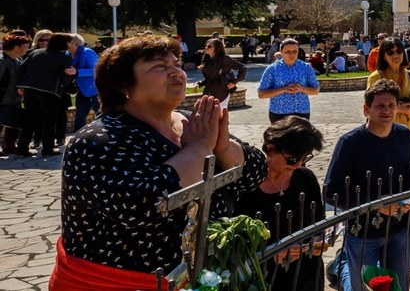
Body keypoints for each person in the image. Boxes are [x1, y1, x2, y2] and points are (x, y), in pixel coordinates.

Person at [50, 35, 266, 290]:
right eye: (160, 67)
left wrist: (223, 147)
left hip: (203, 276)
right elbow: (142, 206)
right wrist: (198, 149)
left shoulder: (192, 122)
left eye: (176, 64)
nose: (176, 72)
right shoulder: (97, 140)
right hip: (119, 282)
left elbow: (256, 173)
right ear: (122, 84)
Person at [325, 79, 410, 291]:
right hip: (362, 232)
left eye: (391, 105)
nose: (387, 110)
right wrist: (375, 204)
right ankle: (342, 264)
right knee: (362, 285)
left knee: (399, 285)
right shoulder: (349, 143)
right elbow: (331, 192)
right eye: (380, 105)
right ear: (366, 109)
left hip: (399, 228)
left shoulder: (404, 135)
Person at [234, 115, 327, 291]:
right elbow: (237, 241)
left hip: (306, 272)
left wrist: (318, 241)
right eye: (292, 159)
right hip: (266, 277)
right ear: (271, 149)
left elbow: (319, 224)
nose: (298, 164)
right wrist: (269, 253)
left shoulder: (306, 178)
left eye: (305, 158)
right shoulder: (246, 189)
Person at [15, 32, 76, 158]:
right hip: (49, 92)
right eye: (69, 42)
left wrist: (20, 85)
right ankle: (48, 149)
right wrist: (74, 74)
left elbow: (21, 69)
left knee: (30, 119)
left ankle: (22, 148)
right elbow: (65, 78)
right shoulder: (64, 56)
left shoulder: (35, 53)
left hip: (30, 90)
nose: (70, 45)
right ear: (63, 43)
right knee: (49, 121)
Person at [366, 39, 410, 139]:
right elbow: (367, 109)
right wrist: (399, 109)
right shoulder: (376, 77)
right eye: (390, 52)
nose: (396, 55)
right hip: (384, 130)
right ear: (383, 56)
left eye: (399, 51)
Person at [258, 38, 321, 122]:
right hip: (279, 113)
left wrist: (302, 89)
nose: (292, 54)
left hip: (301, 112)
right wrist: (283, 89)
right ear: (281, 52)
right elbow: (261, 94)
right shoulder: (272, 69)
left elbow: (316, 90)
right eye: (287, 52)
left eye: (295, 51)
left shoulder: (306, 68)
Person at [0, 33, 32, 156]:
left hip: (13, 98)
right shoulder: (2, 61)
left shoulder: (17, 60)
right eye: (25, 46)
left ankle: (9, 146)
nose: (27, 49)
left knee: (12, 123)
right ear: (16, 47)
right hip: (2, 98)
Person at [200, 38, 248, 110]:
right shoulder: (207, 60)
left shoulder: (224, 59)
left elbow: (243, 68)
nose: (206, 48)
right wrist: (199, 84)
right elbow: (210, 78)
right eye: (206, 46)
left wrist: (234, 82)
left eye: (209, 46)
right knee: (208, 117)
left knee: (220, 116)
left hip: (221, 92)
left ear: (217, 48)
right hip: (208, 92)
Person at [70, 35, 101, 132]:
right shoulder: (68, 54)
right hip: (82, 89)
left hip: (95, 89)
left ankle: (105, 135)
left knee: (100, 113)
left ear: (73, 43)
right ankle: (77, 136)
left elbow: (96, 70)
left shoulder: (87, 52)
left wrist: (77, 72)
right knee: (80, 114)